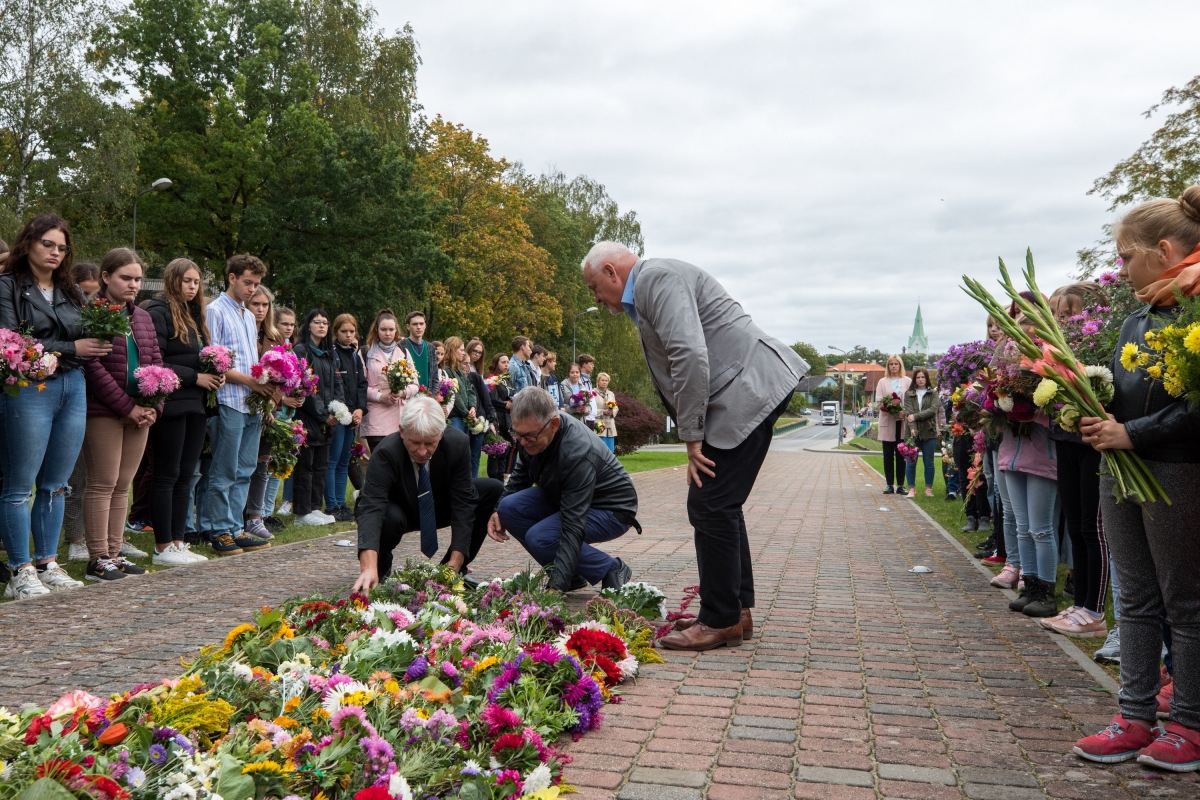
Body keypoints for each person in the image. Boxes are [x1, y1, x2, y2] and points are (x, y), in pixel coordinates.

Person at [581, 241, 808, 650]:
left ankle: (721, 619)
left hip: (749, 390)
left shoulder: (655, 278)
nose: (596, 298)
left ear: (613, 272)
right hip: (748, 388)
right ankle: (732, 610)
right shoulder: (652, 283)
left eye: (595, 287)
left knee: (710, 503)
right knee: (718, 502)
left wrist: (691, 435)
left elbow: (688, 355)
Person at [1074, 186, 1200, 771]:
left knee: (1186, 603)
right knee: (1137, 599)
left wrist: (1137, 433)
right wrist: (1098, 418)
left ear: (1165, 248)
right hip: (1122, 469)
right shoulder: (1138, 316)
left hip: (1179, 467)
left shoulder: (1196, 310)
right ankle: (1135, 715)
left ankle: (1191, 726)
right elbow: (1128, 393)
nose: (1119, 268)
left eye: (1126, 256)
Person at [0, 215, 104, 599]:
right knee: (18, 485)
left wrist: (98, 339)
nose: (55, 253)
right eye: (47, 244)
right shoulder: (8, 286)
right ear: (28, 243)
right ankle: (19, 571)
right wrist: (71, 349)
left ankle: (47, 562)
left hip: (73, 385)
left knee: (56, 485)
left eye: (61, 247)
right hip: (29, 388)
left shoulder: (71, 291)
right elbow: (9, 339)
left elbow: (85, 332)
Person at [488, 387, 637, 592]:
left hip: (611, 508)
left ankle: (611, 568)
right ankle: (573, 575)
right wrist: (496, 509)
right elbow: (522, 472)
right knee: (508, 508)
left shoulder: (577, 453)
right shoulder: (532, 433)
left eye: (529, 436)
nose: (522, 442)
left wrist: (556, 586)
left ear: (554, 424)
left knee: (541, 538)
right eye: (518, 434)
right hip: (561, 494)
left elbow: (572, 525)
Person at [352, 396, 503, 592]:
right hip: (399, 509)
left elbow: (463, 504)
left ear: (440, 434)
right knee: (388, 517)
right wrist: (368, 566)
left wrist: (454, 563)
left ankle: (451, 570)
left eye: (430, 443)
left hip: (436, 504)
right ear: (402, 431)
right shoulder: (385, 453)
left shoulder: (457, 444)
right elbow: (371, 508)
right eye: (415, 443)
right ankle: (379, 567)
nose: (422, 452)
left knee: (493, 490)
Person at [81, 249, 162, 581]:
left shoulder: (142, 317)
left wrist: (154, 407)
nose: (133, 285)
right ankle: (98, 557)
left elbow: (156, 361)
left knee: (123, 484)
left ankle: (115, 553)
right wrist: (126, 407)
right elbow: (93, 367)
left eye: (137, 279)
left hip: (140, 412)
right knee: (103, 483)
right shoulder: (90, 312)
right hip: (104, 411)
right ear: (105, 277)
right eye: (125, 278)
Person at [1041, 282, 1110, 638]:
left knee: (1093, 527)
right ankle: (1080, 605)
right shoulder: (1054, 351)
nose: (1064, 321)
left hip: (1092, 444)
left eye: (1070, 314)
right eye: (1058, 315)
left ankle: (1094, 612)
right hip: (1065, 439)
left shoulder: (1101, 345)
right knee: (1074, 527)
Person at [144, 258, 217, 566]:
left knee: (187, 474)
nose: (192, 286)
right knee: (167, 473)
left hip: (196, 403)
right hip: (170, 402)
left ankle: (178, 541)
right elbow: (156, 360)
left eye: (196, 282)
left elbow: (197, 356)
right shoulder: (157, 312)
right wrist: (195, 376)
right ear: (172, 280)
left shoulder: (195, 315)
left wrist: (215, 368)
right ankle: (162, 546)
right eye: (186, 281)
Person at [199, 254, 272, 556]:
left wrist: (267, 381)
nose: (252, 289)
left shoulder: (246, 314)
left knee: (245, 469)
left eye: (256, 284)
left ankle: (234, 527)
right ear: (231, 278)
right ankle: (218, 530)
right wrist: (252, 382)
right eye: (247, 282)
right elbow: (213, 360)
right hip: (229, 399)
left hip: (252, 402)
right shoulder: (215, 311)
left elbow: (250, 359)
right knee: (224, 470)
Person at [997, 313, 1060, 620]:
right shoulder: (1008, 372)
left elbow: (1059, 411)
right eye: (1019, 341)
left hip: (1040, 456)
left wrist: (1031, 409)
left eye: (1031, 340)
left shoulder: (1053, 369)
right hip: (1012, 454)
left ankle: (1046, 591)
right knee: (1023, 527)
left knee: (1040, 528)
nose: (1024, 346)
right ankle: (1030, 585)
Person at [63, 261, 102, 563]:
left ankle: (98, 535)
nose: (89, 300)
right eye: (84, 294)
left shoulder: (100, 314)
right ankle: (75, 537)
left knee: (98, 477)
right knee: (74, 475)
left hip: (98, 402)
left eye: (93, 294)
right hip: (71, 396)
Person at [292, 309, 344, 526]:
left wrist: (339, 411)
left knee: (321, 466)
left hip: (327, 419)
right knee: (306, 466)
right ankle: (302, 513)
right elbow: (306, 386)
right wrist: (324, 414)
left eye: (325, 322)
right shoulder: (302, 350)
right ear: (308, 325)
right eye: (317, 322)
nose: (321, 326)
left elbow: (337, 385)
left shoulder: (328, 353)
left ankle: (314, 507)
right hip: (308, 416)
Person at [243, 285, 286, 540]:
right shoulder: (243, 331)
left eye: (264, 305)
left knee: (261, 463)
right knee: (240, 465)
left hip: (268, 407)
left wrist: (271, 403)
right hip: (243, 400)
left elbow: (286, 376)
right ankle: (237, 515)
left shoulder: (275, 336)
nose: (260, 309)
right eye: (255, 304)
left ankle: (255, 516)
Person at [325, 313, 367, 520]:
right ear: (336, 332)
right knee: (333, 460)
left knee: (344, 461)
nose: (348, 335)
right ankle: (332, 505)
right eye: (344, 331)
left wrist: (360, 409)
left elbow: (362, 385)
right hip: (339, 414)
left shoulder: (354, 355)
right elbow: (332, 386)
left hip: (353, 415)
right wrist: (341, 411)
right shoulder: (332, 354)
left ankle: (341, 504)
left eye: (352, 331)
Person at [361, 309, 420, 452]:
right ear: (376, 330)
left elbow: (415, 384)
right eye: (383, 329)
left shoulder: (404, 352)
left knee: (399, 462)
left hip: (399, 416)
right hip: (376, 417)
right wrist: (380, 397)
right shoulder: (365, 352)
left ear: (396, 330)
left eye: (391, 329)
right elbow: (361, 385)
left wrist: (402, 392)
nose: (387, 333)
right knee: (381, 460)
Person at [266, 306, 297, 519]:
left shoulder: (291, 350)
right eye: (284, 324)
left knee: (280, 465)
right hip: (273, 410)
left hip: (288, 414)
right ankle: (260, 512)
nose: (288, 328)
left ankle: (268, 512)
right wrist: (284, 398)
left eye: (292, 324)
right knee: (267, 464)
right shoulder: (272, 348)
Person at [901, 367, 943, 498]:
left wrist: (916, 417)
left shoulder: (933, 393)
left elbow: (932, 410)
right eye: (918, 377)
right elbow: (909, 413)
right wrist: (912, 427)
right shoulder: (909, 394)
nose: (920, 380)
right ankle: (912, 489)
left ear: (926, 379)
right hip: (912, 432)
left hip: (929, 432)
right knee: (910, 461)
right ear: (915, 379)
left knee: (929, 462)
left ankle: (928, 488)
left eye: (923, 377)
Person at [874, 355, 911, 495]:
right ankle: (889, 484)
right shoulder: (882, 382)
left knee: (901, 454)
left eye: (896, 364)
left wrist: (904, 411)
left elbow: (912, 400)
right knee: (888, 454)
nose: (894, 366)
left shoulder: (907, 381)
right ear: (888, 366)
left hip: (902, 422)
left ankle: (901, 485)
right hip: (888, 421)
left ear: (900, 365)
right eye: (891, 364)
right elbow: (878, 401)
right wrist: (891, 407)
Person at [464, 338, 497, 477]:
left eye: (480, 353)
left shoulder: (476, 373)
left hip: (479, 416)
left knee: (475, 456)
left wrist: (491, 420)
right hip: (466, 414)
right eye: (474, 351)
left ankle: (474, 483)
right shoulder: (462, 372)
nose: (476, 354)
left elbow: (484, 398)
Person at [440, 337, 480, 439]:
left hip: (464, 417)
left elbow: (470, 390)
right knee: (455, 448)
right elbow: (455, 395)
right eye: (461, 350)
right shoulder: (446, 370)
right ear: (453, 350)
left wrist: (472, 407)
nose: (463, 353)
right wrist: (467, 413)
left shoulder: (458, 371)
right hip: (454, 418)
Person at [486, 352, 514, 480]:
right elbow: (492, 398)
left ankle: (503, 478)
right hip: (497, 417)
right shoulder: (492, 378)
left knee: (506, 448)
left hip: (507, 417)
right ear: (496, 363)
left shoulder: (506, 378)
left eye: (507, 362)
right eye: (503, 362)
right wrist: (505, 404)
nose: (506, 364)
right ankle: (494, 478)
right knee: (496, 449)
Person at [402, 311, 435, 390]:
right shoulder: (401, 346)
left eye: (421, 324)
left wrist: (432, 396)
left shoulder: (431, 348)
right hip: (408, 395)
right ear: (408, 326)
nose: (419, 327)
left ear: (425, 325)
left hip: (427, 396)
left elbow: (435, 377)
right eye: (415, 324)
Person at [595, 372, 618, 451]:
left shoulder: (611, 394)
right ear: (598, 381)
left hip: (610, 423)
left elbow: (616, 407)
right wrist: (602, 411)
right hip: (599, 423)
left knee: (610, 449)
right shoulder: (593, 393)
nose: (604, 382)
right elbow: (590, 410)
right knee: (600, 449)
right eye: (602, 380)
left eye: (606, 380)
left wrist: (612, 412)